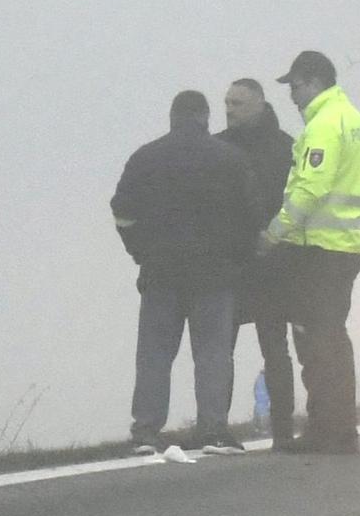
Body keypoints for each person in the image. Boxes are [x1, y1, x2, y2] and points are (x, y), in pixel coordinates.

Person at [110, 89, 262, 451]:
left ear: (172, 117)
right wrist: (237, 258)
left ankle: (145, 432)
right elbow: (252, 217)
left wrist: (139, 251)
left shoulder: (145, 158)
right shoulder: (230, 159)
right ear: (205, 117)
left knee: (155, 356)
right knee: (212, 354)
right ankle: (211, 429)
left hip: (160, 272)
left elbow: (122, 212)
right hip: (214, 274)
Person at [265, 50, 360, 454]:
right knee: (334, 339)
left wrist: (275, 233)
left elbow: (311, 188)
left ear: (313, 82)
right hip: (344, 247)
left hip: (316, 251)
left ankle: (324, 429)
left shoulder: (324, 125)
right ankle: (341, 427)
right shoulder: (356, 121)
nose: (292, 97)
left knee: (315, 342)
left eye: (295, 87)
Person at [219, 77, 298, 446]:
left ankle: (283, 429)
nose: (230, 110)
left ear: (260, 104)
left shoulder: (287, 149)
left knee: (275, 348)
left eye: (238, 104)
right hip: (230, 263)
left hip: (272, 262)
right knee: (221, 349)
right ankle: (216, 430)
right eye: (227, 104)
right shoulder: (216, 148)